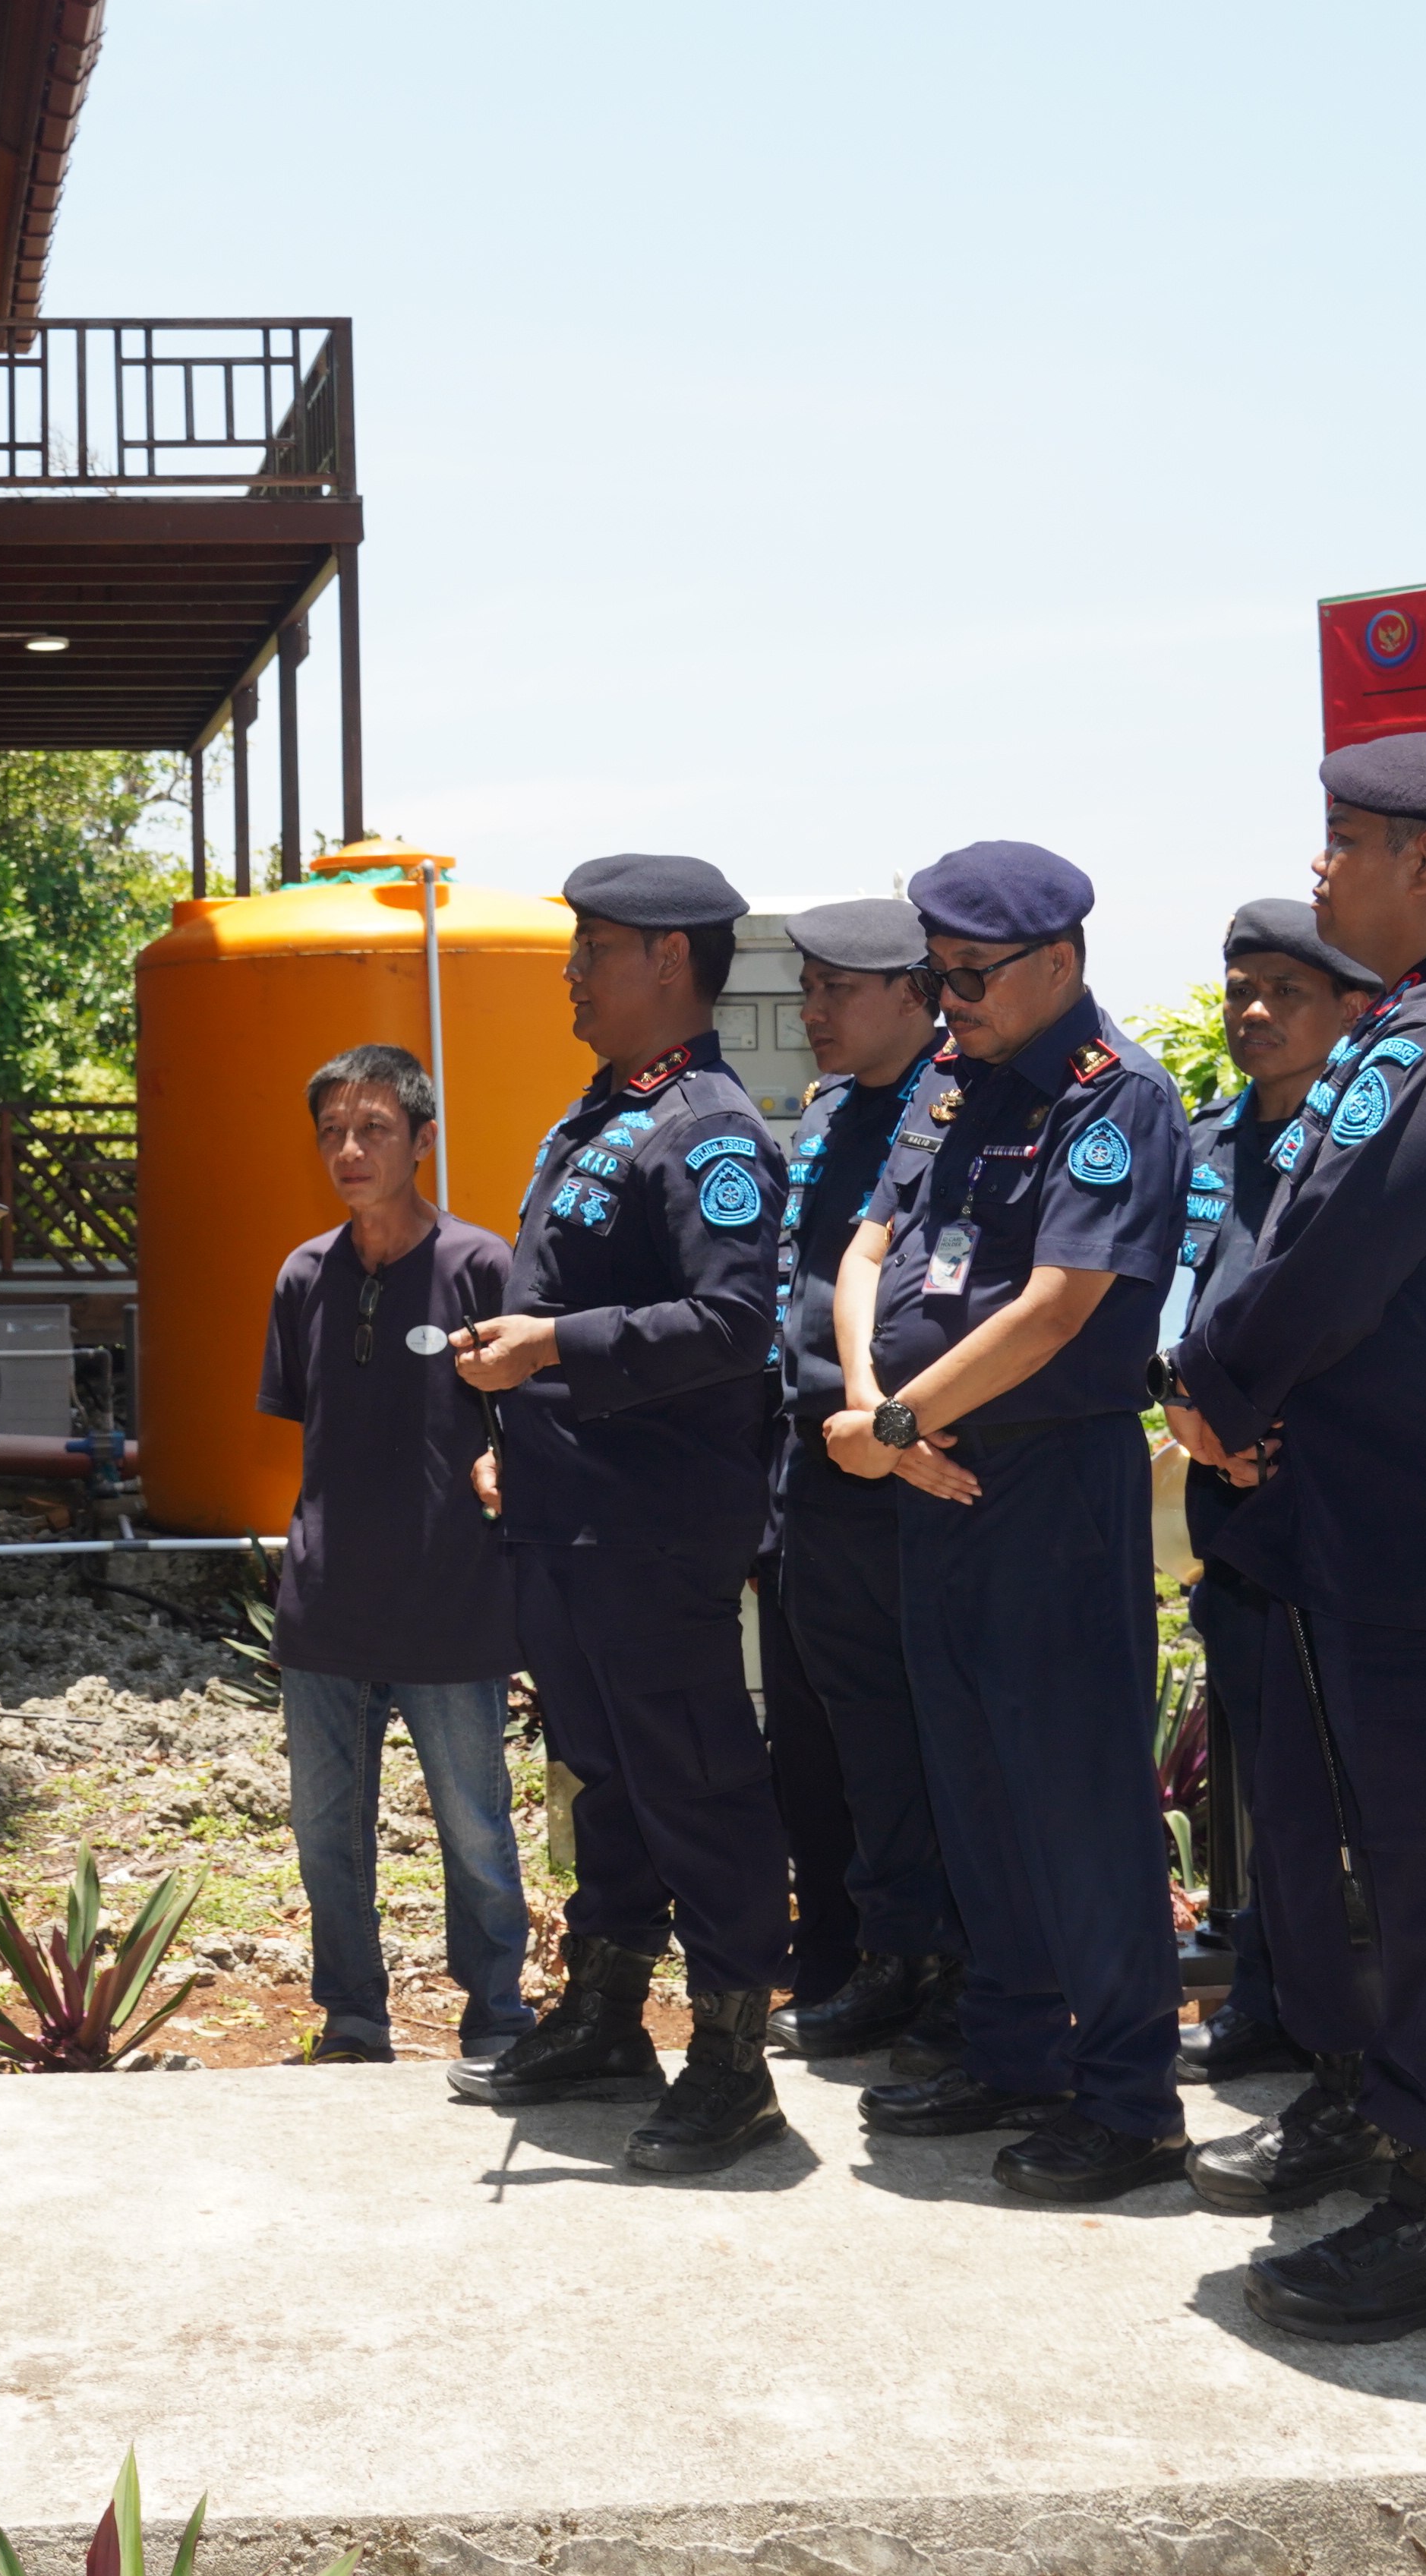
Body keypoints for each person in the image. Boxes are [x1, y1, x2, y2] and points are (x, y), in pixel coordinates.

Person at [1162, 730, 1426, 2340]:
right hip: (1367, 1517)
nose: (1323, 867)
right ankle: (1382, 2115)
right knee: (1374, 1850)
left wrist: (1216, 1382)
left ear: (1423, 860)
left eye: (1343, 841)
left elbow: (1336, 1254)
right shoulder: (1421, 1028)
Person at [825, 845, 1193, 2202]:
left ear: (1060, 964)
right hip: (928, 1476)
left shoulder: (1118, 1101)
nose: (948, 999)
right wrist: (876, 1406)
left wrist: (895, 1428)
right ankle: (1016, 2047)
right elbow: (872, 1248)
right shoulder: (944, 1079)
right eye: (937, 975)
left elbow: (1058, 1307)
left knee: (1078, 1796)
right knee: (973, 1779)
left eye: (970, 977)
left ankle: (1130, 2100)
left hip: (1045, 1483)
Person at [443, 856, 789, 2178]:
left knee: (695, 1778)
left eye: (594, 947)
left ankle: (732, 2057)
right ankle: (607, 2011)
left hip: (654, 1527)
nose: (572, 971)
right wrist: (509, 1424)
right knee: (603, 1773)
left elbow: (731, 1323)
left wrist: (551, 1349)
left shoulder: (706, 1128)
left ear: (671, 963)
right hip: (566, 1513)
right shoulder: (604, 1111)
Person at [254, 1041, 525, 2066]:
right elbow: (308, 1428)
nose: (350, 1149)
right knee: (328, 1836)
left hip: (451, 1601)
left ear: (423, 1139)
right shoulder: (303, 1276)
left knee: (477, 1832)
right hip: (326, 1607)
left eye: (373, 1129)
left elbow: (524, 1421)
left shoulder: (481, 1267)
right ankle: (354, 2015)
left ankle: (498, 2013)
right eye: (332, 1131)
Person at [1165, 898, 1378, 2090]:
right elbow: (1166, 1303)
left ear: (1354, 1009)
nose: (1255, 1012)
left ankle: (1365, 2019)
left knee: (1359, 1782)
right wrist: (1187, 1411)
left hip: (1330, 1493)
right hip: (1226, 1495)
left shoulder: (1365, 1148)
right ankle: (1266, 1990)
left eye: (1286, 991)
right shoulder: (1203, 1146)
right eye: (1242, 987)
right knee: (1261, 1773)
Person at [765, 899, 964, 2069]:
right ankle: (884, 1960)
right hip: (813, 1459)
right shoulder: (832, 1109)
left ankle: (952, 1972)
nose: (816, 1010)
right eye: (810, 987)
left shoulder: (951, 1107)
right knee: (846, 1739)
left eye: (841, 988)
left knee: (927, 1735)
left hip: (905, 1456)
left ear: (913, 992)